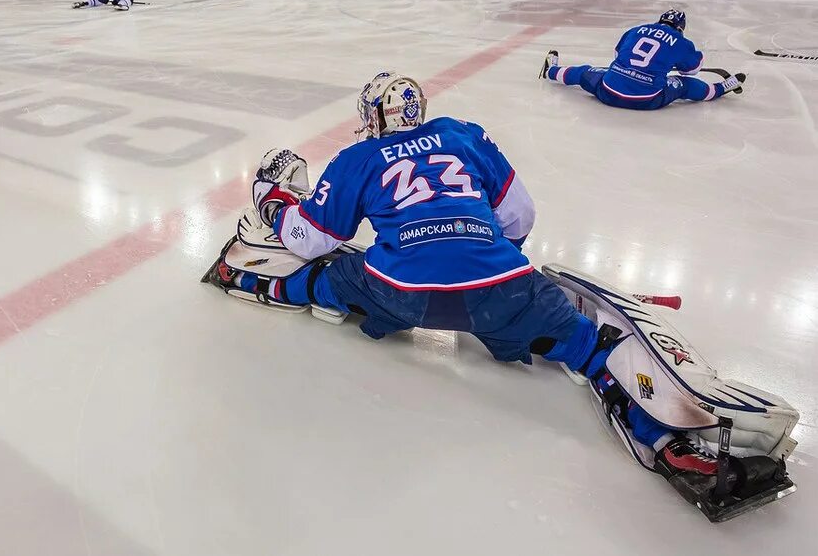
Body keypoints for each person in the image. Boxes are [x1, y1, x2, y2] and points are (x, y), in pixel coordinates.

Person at [203, 72, 785, 516]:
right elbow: (520, 214)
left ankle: (244, 277)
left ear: (371, 117)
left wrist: (274, 200)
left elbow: (308, 239)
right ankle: (666, 441)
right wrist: (482, 254)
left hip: (401, 292)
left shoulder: (357, 157)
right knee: (588, 345)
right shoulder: (463, 134)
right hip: (501, 289)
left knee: (330, 278)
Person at [540, 10, 744, 109]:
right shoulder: (682, 42)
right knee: (685, 85)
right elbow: (691, 70)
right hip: (647, 100)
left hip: (608, 91)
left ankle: (550, 71)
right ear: (681, 27)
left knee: (586, 71)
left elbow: (618, 54)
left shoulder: (637, 29)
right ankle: (720, 88)